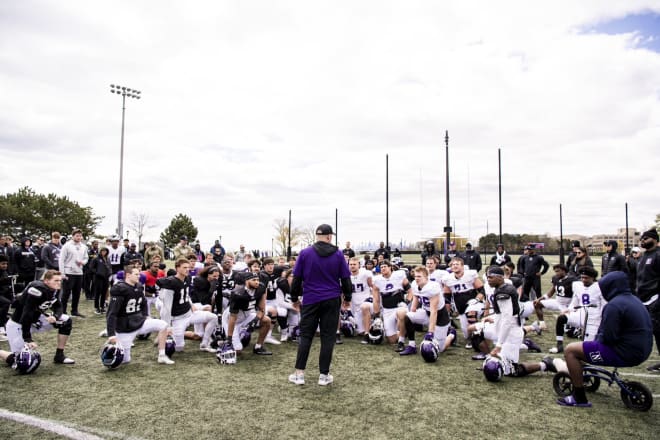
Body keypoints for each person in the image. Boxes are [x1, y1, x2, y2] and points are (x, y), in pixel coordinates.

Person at [557, 271, 653, 407]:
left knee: (571, 350)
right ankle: (585, 374)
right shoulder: (635, 300)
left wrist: (592, 344)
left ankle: (579, 397)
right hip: (642, 351)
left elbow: (608, 338)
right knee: (585, 348)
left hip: (625, 353)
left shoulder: (614, 306)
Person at [288, 224, 351, 386]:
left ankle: (299, 374)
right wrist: (348, 297)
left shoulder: (305, 253)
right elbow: (345, 279)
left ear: (317, 235)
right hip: (331, 299)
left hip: (310, 299)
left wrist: (294, 297)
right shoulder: (338, 254)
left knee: (306, 336)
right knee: (328, 337)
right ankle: (324, 375)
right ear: (329, 236)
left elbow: (296, 279)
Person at [485, 266, 559, 380]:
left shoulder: (503, 292)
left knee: (511, 371)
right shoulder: (503, 287)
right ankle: (527, 347)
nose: (488, 279)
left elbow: (508, 319)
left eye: (490, 277)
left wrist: (499, 345)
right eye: (487, 277)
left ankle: (545, 364)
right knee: (503, 366)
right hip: (509, 332)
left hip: (510, 333)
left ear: (499, 278)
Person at [106, 266, 174, 365]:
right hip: (125, 328)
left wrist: (146, 315)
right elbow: (111, 314)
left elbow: (143, 303)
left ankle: (162, 356)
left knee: (163, 325)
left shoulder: (138, 286)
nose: (139, 276)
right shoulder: (119, 289)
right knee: (125, 360)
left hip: (139, 322)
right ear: (128, 275)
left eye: (139, 274)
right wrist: (111, 334)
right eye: (136, 274)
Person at [5, 269, 75, 364]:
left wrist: (55, 316)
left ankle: (59, 355)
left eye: (60, 280)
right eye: (56, 280)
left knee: (66, 321)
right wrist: (27, 338)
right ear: (46, 281)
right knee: (22, 362)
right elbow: (26, 314)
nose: (59, 283)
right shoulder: (37, 290)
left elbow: (58, 306)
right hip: (19, 325)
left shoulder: (52, 289)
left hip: (35, 321)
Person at [156, 258, 217, 353]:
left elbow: (186, 294)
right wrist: (166, 326)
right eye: (184, 267)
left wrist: (191, 304)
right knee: (179, 348)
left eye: (188, 267)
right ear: (177, 268)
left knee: (213, 317)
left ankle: (204, 344)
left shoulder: (187, 278)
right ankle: (171, 331)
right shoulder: (171, 282)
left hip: (189, 313)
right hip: (178, 318)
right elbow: (166, 307)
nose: (187, 269)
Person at [396, 266, 453, 355]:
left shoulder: (432, 287)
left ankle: (451, 334)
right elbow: (416, 296)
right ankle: (412, 346)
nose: (417, 278)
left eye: (419, 276)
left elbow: (434, 311)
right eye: (415, 276)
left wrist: (430, 332)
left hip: (440, 317)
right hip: (426, 313)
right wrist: (413, 310)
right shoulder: (415, 284)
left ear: (426, 277)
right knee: (407, 316)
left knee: (440, 348)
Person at [548, 266, 604, 354]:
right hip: (580, 314)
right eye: (582, 277)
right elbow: (575, 300)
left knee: (587, 348)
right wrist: (569, 309)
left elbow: (604, 305)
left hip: (594, 318)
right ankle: (559, 345)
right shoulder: (577, 285)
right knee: (561, 318)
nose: (583, 280)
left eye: (586, 278)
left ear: (593, 278)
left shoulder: (600, 287)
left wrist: (602, 319)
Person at [221, 272, 273, 355]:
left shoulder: (261, 288)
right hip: (232, 318)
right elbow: (233, 317)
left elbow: (261, 309)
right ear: (246, 281)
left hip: (248, 314)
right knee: (238, 351)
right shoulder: (238, 293)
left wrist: (254, 321)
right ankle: (221, 340)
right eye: (254, 280)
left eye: (258, 280)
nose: (257, 282)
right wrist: (229, 339)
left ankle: (258, 347)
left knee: (266, 320)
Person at [443, 257, 485, 346]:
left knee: (471, 312)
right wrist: (448, 311)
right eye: (453, 264)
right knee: (466, 331)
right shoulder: (448, 279)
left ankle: (473, 339)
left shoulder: (470, 275)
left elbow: (482, 290)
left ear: (462, 266)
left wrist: (477, 299)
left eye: (457, 264)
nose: (454, 266)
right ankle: (476, 334)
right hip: (460, 306)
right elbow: (447, 296)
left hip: (473, 302)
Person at [634, 228, 660, 372]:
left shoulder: (658, 255)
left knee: (659, 332)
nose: (642, 241)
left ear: (654, 240)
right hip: (643, 300)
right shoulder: (643, 256)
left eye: (645, 238)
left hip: (654, 300)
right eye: (641, 239)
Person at [371, 260, 410, 345]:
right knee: (391, 340)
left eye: (385, 266)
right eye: (381, 267)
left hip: (399, 307)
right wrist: (377, 316)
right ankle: (403, 333)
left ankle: (402, 334)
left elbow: (410, 291)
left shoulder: (399, 275)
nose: (383, 268)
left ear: (390, 267)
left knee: (401, 313)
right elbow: (376, 299)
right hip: (387, 310)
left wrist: (406, 302)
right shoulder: (377, 280)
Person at [533, 264, 578, 331]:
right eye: (555, 271)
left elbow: (577, 294)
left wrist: (572, 307)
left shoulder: (572, 280)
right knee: (537, 304)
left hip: (567, 304)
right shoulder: (555, 278)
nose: (556, 273)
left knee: (568, 326)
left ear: (564, 271)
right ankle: (542, 325)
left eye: (558, 271)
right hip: (557, 301)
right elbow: (551, 292)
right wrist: (539, 299)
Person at [58, 228, 88, 317]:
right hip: (68, 272)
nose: (79, 237)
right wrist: (62, 273)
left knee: (77, 293)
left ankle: (74, 310)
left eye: (80, 236)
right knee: (66, 293)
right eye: (77, 236)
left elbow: (86, 258)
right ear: (73, 236)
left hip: (79, 272)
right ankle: (63, 311)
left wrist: (83, 262)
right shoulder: (67, 246)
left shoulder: (84, 246)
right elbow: (61, 260)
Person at [347, 257, 374, 339]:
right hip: (353, 303)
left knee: (365, 308)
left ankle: (373, 322)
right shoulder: (346, 275)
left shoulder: (365, 274)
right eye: (351, 264)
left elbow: (373, 287)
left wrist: (372, 297)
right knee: (360, 332)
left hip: (365, 301)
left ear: (359, 265)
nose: (352, 266)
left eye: (354, 264)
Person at [91, 247, 112, 314]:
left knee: (104, 292)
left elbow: (109, 267)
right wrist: (97, 272)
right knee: (97, 293)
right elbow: (91, 267)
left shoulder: (107, 259)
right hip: (98, 278)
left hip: (106, 278)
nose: (104, 252)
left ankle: (102, 306)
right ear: (100, 251)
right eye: (102, 251)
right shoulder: (96, 258)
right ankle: (96, 307)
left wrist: (109, 273)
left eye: (105, 251)